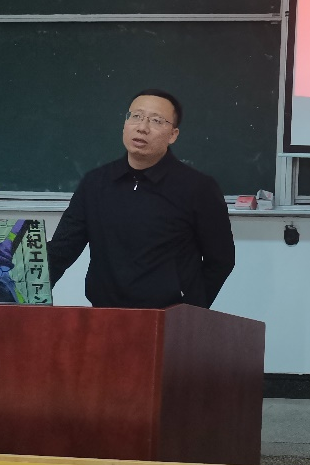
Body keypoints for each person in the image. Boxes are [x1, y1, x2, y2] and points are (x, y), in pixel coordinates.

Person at [47, 89, 235, 309]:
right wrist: (22, 293)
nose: (142, 127)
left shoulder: (197, 187)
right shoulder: (95, 183)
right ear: (125, 124)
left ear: (173, 135)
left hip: (169, 318)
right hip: (104, 315)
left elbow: (220, 260)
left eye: (156, 121)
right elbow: (62, 249)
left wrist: (190, 311)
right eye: (136, 116)